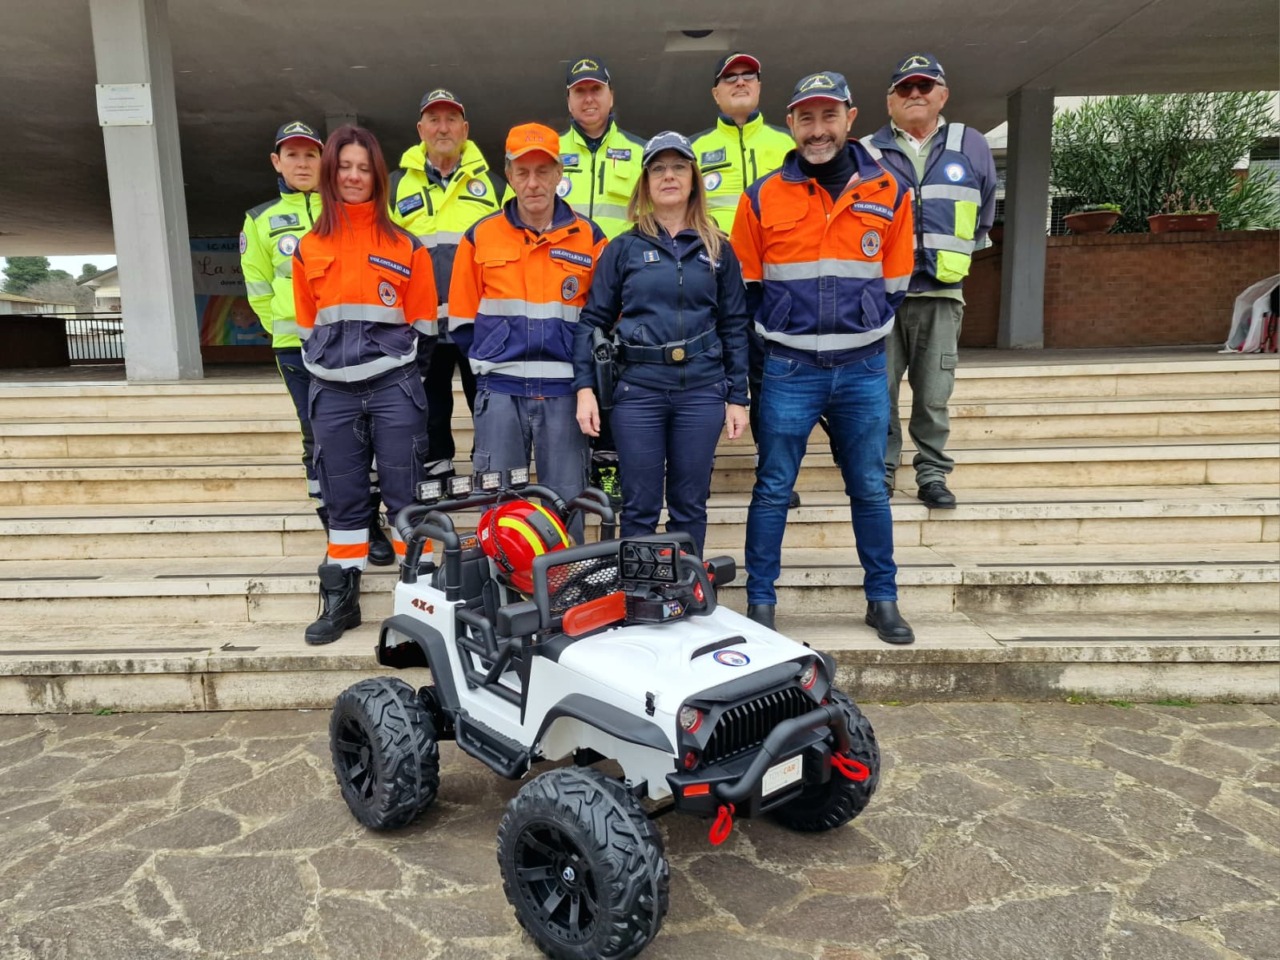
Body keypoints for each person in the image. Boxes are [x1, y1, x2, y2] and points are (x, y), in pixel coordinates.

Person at [731, 72, 916, 644]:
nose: (818, 130)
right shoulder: (761, 196)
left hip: (862, 367)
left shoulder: (890, 191)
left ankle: (881, 599)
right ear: (791, 124)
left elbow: (898, 281)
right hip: (789, 368)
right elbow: (748, 284)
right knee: (772, 486)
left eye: (828, 116)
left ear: (849, 118)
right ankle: (761, 601)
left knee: (867, 486)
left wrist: (858, 321)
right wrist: (782, 330)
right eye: (806, 118)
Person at [292, 125, 438, 644]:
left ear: (378, 174)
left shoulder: (404, 244)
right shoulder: (308, 247)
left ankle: (417, 601)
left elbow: (423, 322)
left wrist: (392, 367)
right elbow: (306, 324)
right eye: (345, 166)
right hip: (331, 391)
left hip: (393, 385)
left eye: (363, 167)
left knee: (405, 497)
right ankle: (342, 599)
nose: (354, 176)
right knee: (344, 499)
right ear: (331, 173)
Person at [573, 131, 749, 556]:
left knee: (690, 504)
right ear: (646, 184)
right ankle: (638, 596)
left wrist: (737, 395)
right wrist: (584, 390)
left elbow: (735, 324)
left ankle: (686, 590)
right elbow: (592, 320)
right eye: (658, 169)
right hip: (639, 390)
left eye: (678, 167)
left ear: (693, 178)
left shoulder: (718, 249)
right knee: (639, 505)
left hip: (702, 391)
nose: (668, 176)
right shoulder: (623, 249)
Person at [241, 121, 393, 564]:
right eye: (292, 155)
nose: (303, 163)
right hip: (298, 348)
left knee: (365, 436)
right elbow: (259, 290)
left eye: (311, 155)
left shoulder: (350, 211)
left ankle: (369, 522)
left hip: (356, 345)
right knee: (320, 439)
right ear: (277, 162)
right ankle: (336, 519)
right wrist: (298, 335)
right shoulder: (260, 220)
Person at [450, 123, 606, 539]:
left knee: (567, 501)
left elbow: (602, 321)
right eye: (523, 171)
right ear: (510, 174)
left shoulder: (590, 238)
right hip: (500, 394)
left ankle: (566, 586)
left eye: (543, 170)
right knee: (499, 502)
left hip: (565, 394)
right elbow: (462, 323)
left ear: (559, 173)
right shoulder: (479, 237)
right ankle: (501, 592)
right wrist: (495, 364)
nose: (533, 182)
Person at [866, 54, 997, 509]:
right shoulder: (866, 151)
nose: (915, 95)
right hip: (882, 296)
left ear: (943, 94)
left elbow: (984, 213)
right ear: (890, 101)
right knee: (876, 393)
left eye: (925, 86)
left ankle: (932, 474)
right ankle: (878, 473)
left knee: (934, 394)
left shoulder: (971, 144)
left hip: (942, 293)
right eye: (905, 88)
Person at [693, 53, 810, 510]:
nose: (740, 83)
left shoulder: (787, 145)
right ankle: (695, 472)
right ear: (715, 93)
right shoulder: (696, 149)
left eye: (748, 77)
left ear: (760, 87)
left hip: (774, 287)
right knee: (703, 378)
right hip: (709, 286)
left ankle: (774, 472)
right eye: (729, 78)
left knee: (770, 381)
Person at [389, 88, 504, 465]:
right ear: (420, 128)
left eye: (451, 119)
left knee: (486, 402)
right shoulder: (394, 186)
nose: (443, 128)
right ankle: (437, 479)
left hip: (480, 322)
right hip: (421, 324)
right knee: (429, 410)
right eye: (434, 119)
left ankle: (487, 473)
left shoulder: (496, 186)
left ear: (465, 128)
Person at [557, 56, 647, 505]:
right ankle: (572, 470)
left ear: (611, 97)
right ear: (569, 101)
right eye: (580, 91)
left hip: (621, 298)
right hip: (560, 297)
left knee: (614, 388)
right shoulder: (548, 155)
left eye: (596, 89)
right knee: (574, 384)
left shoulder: (639, 153)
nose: (589, 98)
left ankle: (608, 473)